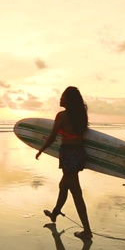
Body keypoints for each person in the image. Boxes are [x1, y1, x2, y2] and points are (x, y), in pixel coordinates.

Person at [36, 86, 92, 239]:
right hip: (79, 154)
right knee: (64, 186)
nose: (60, 99)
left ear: (68, 100)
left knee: (76, 193)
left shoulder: (61, 116)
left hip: (68, 155)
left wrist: (41, 149)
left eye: (62, 97)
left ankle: (87, 231)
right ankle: (55, 214)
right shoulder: (81, 116)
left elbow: (53, 136)